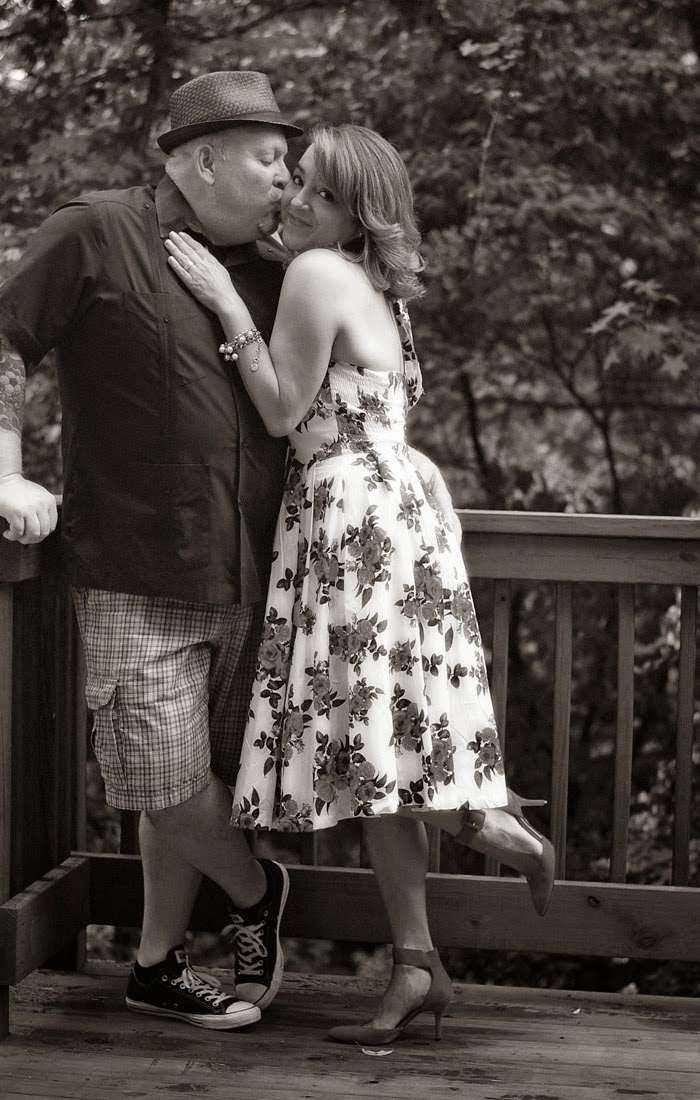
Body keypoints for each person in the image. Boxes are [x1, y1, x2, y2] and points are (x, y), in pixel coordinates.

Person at [165, 122, 556, 1045]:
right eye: (298, 179)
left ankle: (490, 832)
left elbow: (280, 410)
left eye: (324, 194)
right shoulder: (379, 287)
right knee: (384, 737)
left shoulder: (314, 272)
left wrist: (225, 302)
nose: (298, 200)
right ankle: (421, 958)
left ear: (360, 213)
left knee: (376, 736)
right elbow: (382, 418)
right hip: (398, 519)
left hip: (349, 526)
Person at [0, 70, 307, 1031]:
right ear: (203, 161)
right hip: (134, 568)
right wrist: (4, 473)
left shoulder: (276, 268)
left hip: (254, 575)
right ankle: (258, 892)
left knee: (198, 783)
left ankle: (156, 963)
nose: (286, 179)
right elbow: (5, 338)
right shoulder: (97, 230)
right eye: (270, 159)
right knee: (160, 780)